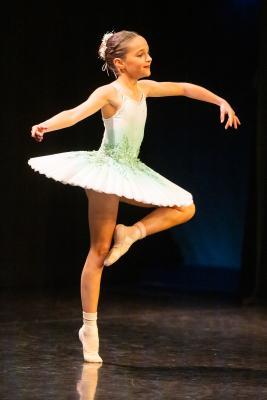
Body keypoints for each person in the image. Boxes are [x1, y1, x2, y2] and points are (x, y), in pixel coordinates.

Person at [28, 30, 241, 364]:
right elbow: (75, 113)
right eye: (140, 54)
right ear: (120, 63)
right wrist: (45, 125)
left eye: (148, 52)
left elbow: (184, 88)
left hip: (132, 168)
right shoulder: (109, 93)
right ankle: (89, 328)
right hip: (106, 171)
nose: (149, 58)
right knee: (98, 250)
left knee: (185, 206)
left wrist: (220, 101)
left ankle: (131, 232)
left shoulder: (144, 89)